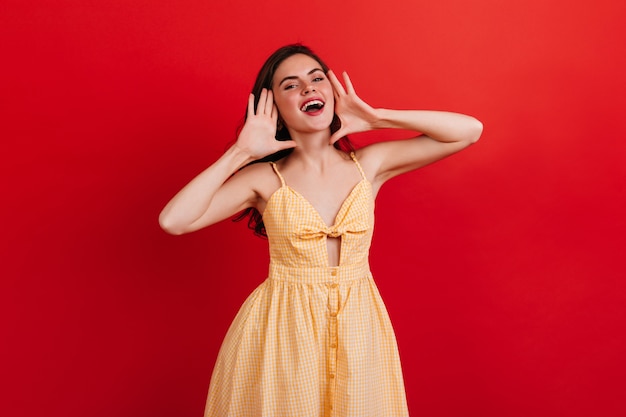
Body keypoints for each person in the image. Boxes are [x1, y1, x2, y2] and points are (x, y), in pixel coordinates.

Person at [159, 44, 482, 417]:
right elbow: (174, 221)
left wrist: (377, 119)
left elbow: (469, 130)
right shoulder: (263, 179)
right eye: (291, 85)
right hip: (282, 328)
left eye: (316, 79)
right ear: (274, 107)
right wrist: (240, 152)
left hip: (359, 325)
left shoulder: (369, 165)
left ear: (331, 91)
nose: (309, 89)